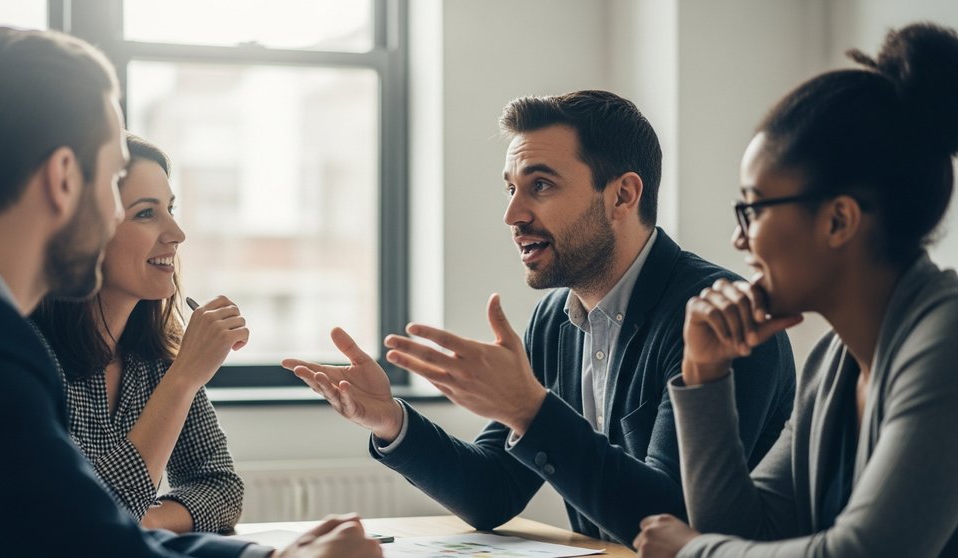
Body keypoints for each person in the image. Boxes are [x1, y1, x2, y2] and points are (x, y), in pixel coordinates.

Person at [0, 26, 380, 558]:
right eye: (114, 183)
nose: (177, 233)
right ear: (63, 178)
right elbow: (81, 541)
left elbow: (79, 530)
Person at [284, 90, 796, 545]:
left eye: (541, 185)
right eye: (511, 188)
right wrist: (392, 421)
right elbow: (493, 490)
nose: (513, 215)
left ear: (623, 195)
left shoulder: (719, 319)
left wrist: (531, 411)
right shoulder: (553, 320)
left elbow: (670, 526)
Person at [633, 22, 958, 558]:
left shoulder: (945, 345)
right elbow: (750, 532)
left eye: (753, 208)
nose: (739, 238)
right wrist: (704, 374)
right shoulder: (832, 362)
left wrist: (692, 552)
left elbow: (865, 553)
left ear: (837, 221)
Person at [30, 132, 246, 534]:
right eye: (146, 213)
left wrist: (145, 520)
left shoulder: (155, 356)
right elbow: (76, 522)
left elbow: (222, 487)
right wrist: (184, 380)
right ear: (84, 233)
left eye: (171, 209)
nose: (177, 233)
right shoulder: (30, 354)